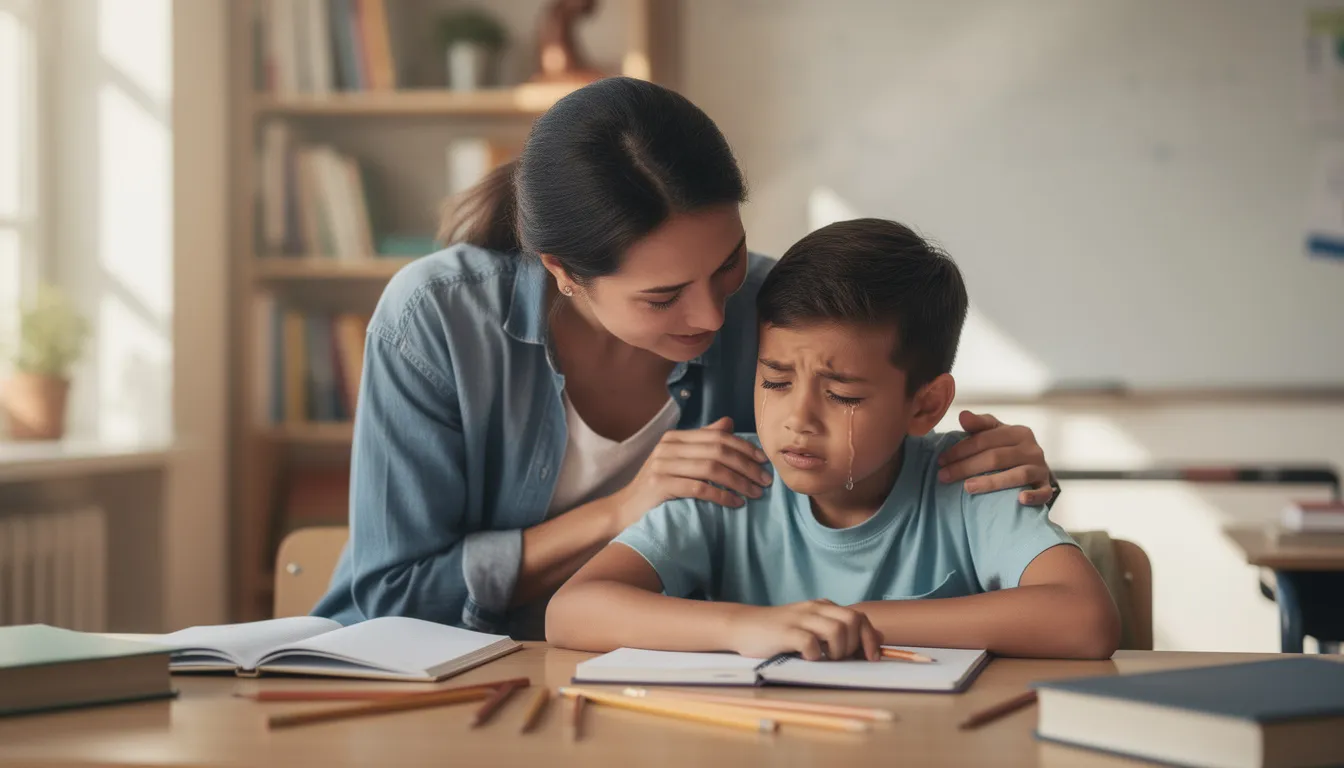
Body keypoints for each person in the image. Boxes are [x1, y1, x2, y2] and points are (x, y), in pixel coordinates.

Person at [312, 78, 1059, 639]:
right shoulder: (436, 320)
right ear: (565, 273)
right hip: (442, 678)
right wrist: (621, 510)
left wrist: (986, 464)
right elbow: (395, 600)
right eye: (663, 297)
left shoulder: (769, 308)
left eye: (727, 261)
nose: (712, 315)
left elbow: (871, 426)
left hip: (662, 680)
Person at [545, 219, 1120, 660]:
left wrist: (846, 620)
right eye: (774, 380)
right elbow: (571, 612)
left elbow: (1084, 619)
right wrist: (746, 626)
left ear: (925, 404)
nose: (797, 419)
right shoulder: (733, 478)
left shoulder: (969, 479)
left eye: (842, 395)